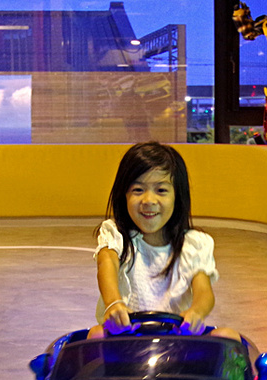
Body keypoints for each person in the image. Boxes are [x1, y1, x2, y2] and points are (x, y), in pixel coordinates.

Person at [88, 142, 236, 340]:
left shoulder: (193, 244)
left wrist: (197, 312)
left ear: (178, 196)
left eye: (161, 190)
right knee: (96, 335)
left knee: (228, 336)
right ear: (124, 195)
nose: (149, 200)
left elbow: (204, 292)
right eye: (138, 190)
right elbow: (107, 262)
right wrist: (114, 303)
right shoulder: (116, 235)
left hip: (177, 340)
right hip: (126, 339)